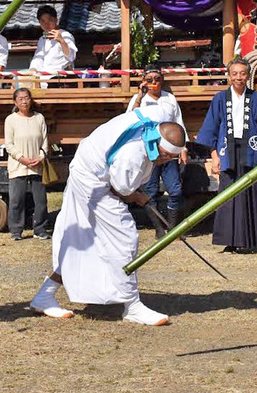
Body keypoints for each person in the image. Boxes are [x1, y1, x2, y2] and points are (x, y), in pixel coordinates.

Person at [29, 108, 186, 326]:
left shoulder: (154, 120)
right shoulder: (132, 154)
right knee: (125, 237)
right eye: (166, 156)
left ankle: (44, 296)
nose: (166, 161)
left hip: (92, 174)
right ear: (159, 147)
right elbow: (121, 188)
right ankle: (132, 306)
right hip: (92, 183)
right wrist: (138, 196)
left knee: (80, 243)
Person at [195, 58, 257, 253]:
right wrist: (215, 155)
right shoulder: (220, 99)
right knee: (229, 196)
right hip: (228, 149)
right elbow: (211, 128)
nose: (238, 77)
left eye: (243, 73)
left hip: (252, 149)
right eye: (234, 73)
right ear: (229, 76)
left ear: (248, 76)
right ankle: (231, 241)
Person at [127, 64, 188, 235]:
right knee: (151, 191)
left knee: (175, 190)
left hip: (169, 151)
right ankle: (159, 229)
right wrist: (140, 94)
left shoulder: (169, 98)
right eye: (149, 79)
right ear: (143, 81)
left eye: (157, 79)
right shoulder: (139, 100)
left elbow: (179, 122)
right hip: (149, 152)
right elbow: (129, 119)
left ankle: (172, 226)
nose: (154, 82)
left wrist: (183, 148)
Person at [5, 88, 49, 241]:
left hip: (36, 165)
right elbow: (9, 145)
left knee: (41, 200)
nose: (24, 101)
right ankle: (16, 231)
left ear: (31, 100)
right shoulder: (10, 120)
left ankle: (40, 229)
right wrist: (21, 158)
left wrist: (41, 157)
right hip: (18, 166)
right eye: (21, 99)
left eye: (27, 98)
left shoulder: (39, 118)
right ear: (15, 102)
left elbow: (45, 142)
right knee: (16, 200)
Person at [29, 5, 77, 87]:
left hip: (60, 79)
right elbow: (38, 58)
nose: (46, 24)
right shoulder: (42, 39)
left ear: (56, 20)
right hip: (43, 79)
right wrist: (33, 69)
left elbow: (71, 56)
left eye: (49, 20)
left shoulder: (65, 35)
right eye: (42, 21)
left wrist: (61, 41)